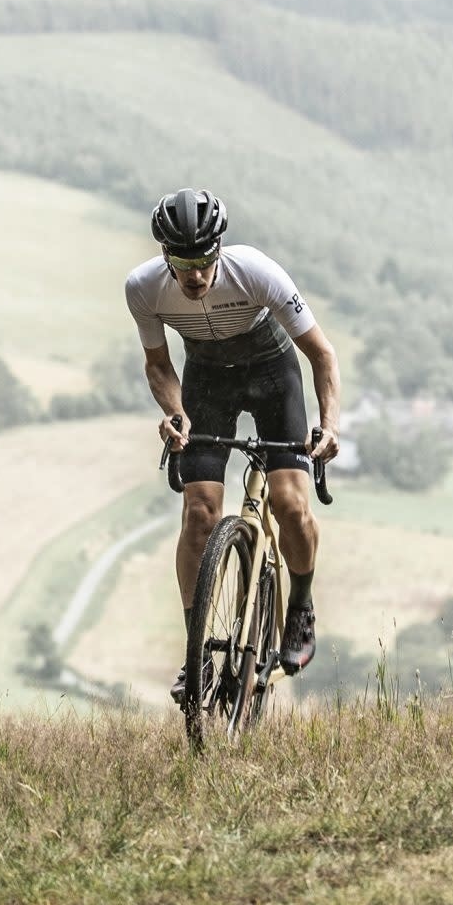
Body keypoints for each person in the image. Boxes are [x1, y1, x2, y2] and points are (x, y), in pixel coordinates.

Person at [124, 187, 341, 692]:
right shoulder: (144, 289)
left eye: (203, 260)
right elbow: (158, 366)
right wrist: (175, 413)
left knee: (289, 503)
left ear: (219, 248)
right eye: (183, 262)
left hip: (272, 375)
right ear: (165, 256)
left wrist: (329, 426)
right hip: (207, 381)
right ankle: (196, 652)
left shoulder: (257, 273)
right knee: (199, 511)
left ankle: (301, 604)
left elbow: (322, 355)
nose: (196, 275)